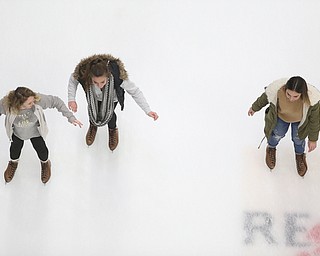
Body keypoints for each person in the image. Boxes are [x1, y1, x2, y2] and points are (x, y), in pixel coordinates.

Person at [67, 54, 158, 150]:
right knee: (92, 110)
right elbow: (73, 80)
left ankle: (112, 129)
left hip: (111, 99)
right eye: (95, 82)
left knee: (109, 114)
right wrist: (71, 99)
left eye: (103, 82)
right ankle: (93, 124)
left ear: (108, 76)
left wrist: (148, 110)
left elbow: (135, 91)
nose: (100, 86)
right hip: (94, 98)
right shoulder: (84, 75)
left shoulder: (118, 77)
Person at [0, 87, 83, 184]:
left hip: (35, 133)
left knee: (42, 151)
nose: (33, 103)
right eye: (30, 103)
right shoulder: (7, 105)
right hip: (17, 134)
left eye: (33, 101)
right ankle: (13, 163)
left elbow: (56, 101)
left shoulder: (37, 101)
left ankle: (45, 163)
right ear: (19, 105)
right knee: (14, 151)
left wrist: (71, 117)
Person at [248, 76, 320, 177]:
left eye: (296, 96)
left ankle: (299, 155)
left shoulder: (312, 100)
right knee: (277, 134)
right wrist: (254, 108)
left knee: (298, 138)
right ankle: (271, 148)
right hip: (281, 117)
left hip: (300, 121)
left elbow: (315, 120)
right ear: (285, 89)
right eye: (288, 94)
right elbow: (264, 98)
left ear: (302, 93)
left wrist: (313, 139)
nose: (291, 99)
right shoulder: (277, 90)